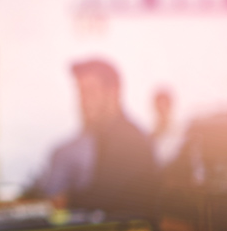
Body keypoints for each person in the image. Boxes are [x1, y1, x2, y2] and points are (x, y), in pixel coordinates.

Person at [34, 58, 157, 217]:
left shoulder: (129, 140)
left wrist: (60, 202)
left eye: (90, 91)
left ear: (113, 92)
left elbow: (102, 198)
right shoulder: (104, 138)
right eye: (80, 92)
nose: (83, 101)